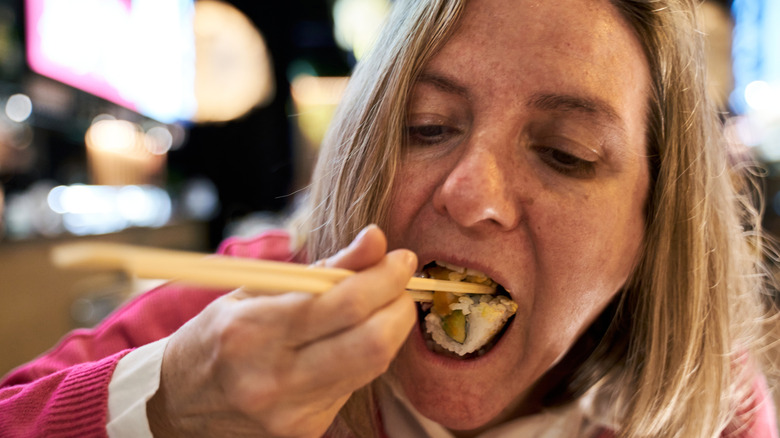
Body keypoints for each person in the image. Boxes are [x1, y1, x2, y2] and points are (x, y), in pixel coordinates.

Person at [1, 0, 778, 436]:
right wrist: (169, 403)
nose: (472, 195)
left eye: (566, 154)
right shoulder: (237, 318)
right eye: (428, 127)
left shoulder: (711, 404)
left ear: (653, 225)